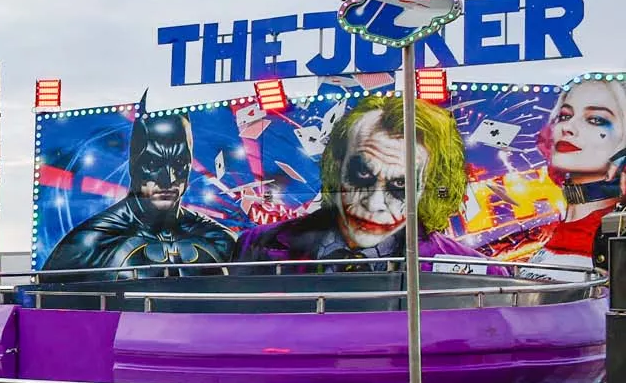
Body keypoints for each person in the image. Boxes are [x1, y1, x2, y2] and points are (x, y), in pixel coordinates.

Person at [233, 95, 486, 268]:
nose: (374, 203)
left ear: (429, 188)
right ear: (337, 166)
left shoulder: (469, 267)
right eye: (362, 174)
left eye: (400, 186)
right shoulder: (256, 245)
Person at [43, 100, 234, 276]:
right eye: (153, 164)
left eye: (178, 163)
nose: (168, 179)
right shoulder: (89, 244)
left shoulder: (218, 238)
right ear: (135, 167)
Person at [531, 78, 626, 272]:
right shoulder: (556, 230)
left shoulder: (613, 238)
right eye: (565, 116)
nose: (567, 127)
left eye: (595, 119)